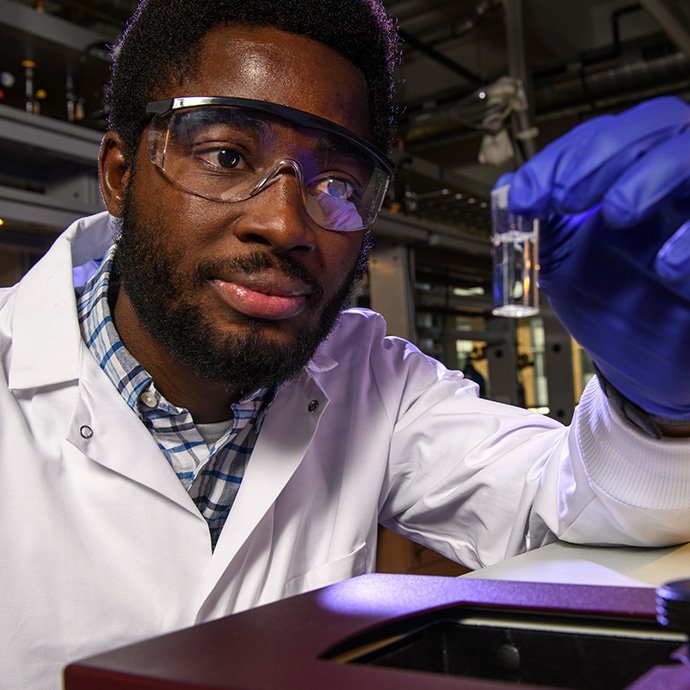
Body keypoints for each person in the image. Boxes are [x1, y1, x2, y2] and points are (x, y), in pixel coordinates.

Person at [2, 0, 690, 688]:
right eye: (225, 155)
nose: (284, 223)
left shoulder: (372, 379)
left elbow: (574, 507)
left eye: (336, 184)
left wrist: (660, 405)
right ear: (121, 175)